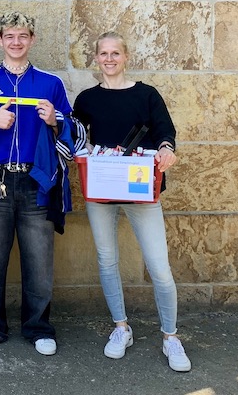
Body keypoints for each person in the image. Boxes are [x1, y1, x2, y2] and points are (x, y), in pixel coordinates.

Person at [0, 12, 81, 356]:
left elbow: (72, 128)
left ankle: (38, 327)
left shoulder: (50, 82)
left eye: (23, 36)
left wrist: (54, 120)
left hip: (37, 180)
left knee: (39, 259)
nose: (16, 42)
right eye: (10, 36)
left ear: (32, 39)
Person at [72, 31, 191, 372]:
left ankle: (170, 336)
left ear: (125, 57)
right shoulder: (87, 99)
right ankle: (121, 327)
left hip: (141, 191)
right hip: (102, 189)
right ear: (96, 58)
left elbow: (165, 132)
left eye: (115, 53)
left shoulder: (146, 95)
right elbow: (77, 137)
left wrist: (167, 150)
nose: (109, 59)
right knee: (107, 260)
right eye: (103, 53)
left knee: (159, 266)